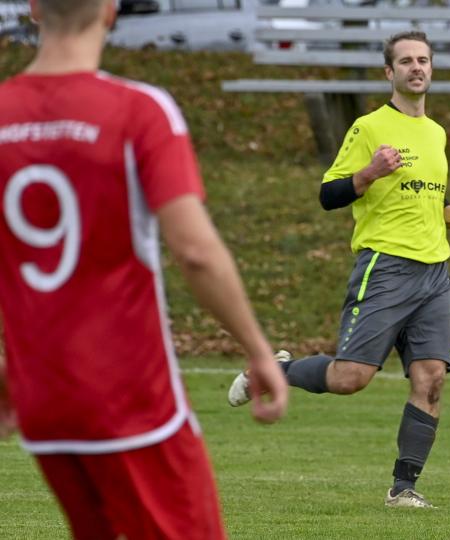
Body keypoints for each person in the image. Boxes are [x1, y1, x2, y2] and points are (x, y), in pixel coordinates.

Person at [0, 0, 289, 537]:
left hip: (42, 402)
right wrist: (255, 349)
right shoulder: (139, 110)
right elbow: (196, 251)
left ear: (34, 10)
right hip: (131, 402)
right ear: (111, 10)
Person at [227, 30, 450, 509]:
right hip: (386, 267)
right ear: (389, 73)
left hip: (435, 273)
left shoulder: (436, 133)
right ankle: (271, 373)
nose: (416, 68)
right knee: (350, 378)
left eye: (423, 60)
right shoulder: (369, 127)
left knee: (432, 379)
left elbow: (420, 202)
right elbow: (329, 195)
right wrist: (370, 173)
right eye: (406, 61)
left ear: (432, 68)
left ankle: (403, 488)